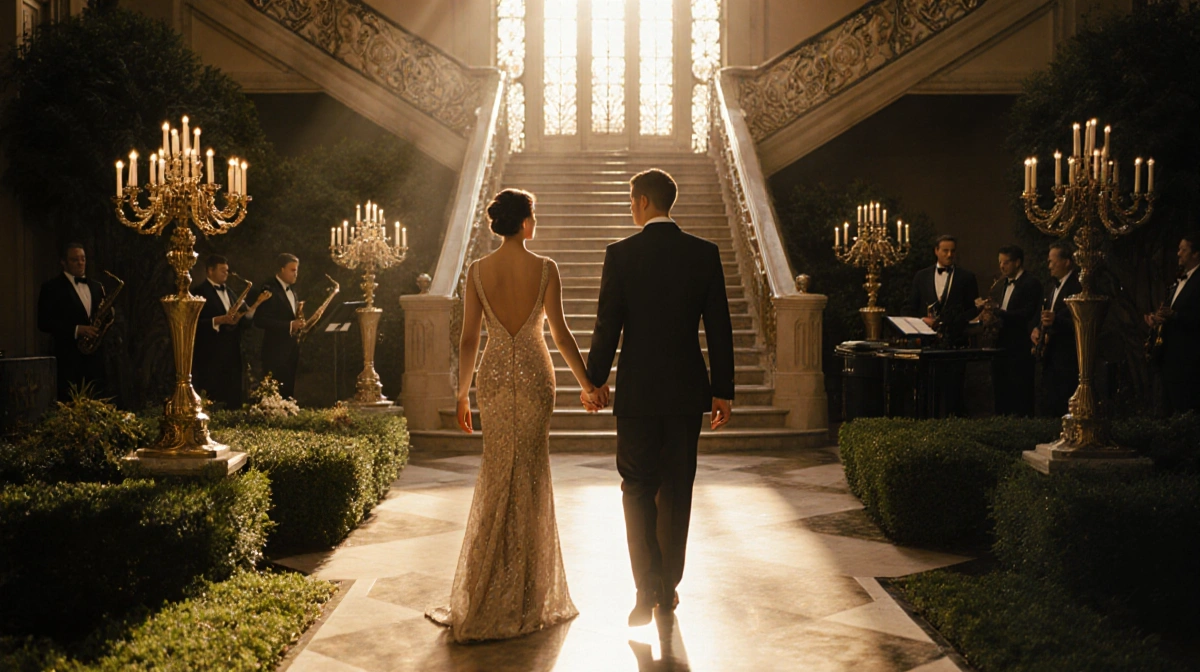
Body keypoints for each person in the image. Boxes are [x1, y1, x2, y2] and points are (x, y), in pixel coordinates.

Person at [427, 188, 586, 642]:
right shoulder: (546, 268)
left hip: (493, 375)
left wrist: (462, 395)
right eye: (535, 215)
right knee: (531, 471)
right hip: (535, 373)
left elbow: (468, 340)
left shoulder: (478, 271)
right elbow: (560, 334)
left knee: (498, 470)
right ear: (526, 222)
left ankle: (488, 584)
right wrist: (587, 382)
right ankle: (528, 592)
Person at [585, 168, 735, 627]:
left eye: (631, 200)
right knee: (677, 489)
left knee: (636, 487)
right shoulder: (704, 254)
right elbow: (720, 326)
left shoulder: (621, 255)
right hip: (687, 391)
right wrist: (722, 390)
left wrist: (594, 381)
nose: (631, 208)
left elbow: (607, 325)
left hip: (637, 392)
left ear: (643, 202)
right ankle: (667, 586)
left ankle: (645, 585)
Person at [37, 242, 106, 400]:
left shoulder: (97, 287)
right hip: (68, 360)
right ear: (63, 262)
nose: (80, 263)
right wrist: (76, 329)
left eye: (83, 259)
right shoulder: (51, 288)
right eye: (75, 260)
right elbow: (43, 322)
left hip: (95, 360)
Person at [193, 255, 264, 408]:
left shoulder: (230, 292)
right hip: (211, 353)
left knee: (233, 395)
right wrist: (218, 320)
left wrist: (252, 310)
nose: (226, 273)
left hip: (232, 351)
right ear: (210, 271)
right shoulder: (198, 292)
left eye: (227, 270)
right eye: (222, 270)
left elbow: (244, 323)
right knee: (213, 395)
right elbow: (194, 323)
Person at [978, 245, 1041, 416]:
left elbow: (1028, 313)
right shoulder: (1001, 284)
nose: (1001, 266)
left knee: (1020, 392)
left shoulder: (1031, 283)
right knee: (1001, 390)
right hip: (1001, 344)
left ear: (1017, 262)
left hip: (1019, 346)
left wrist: (999, 313)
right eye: (1000, 262)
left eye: (1006, 262)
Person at [1145, 234, 1200, 414]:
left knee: (1186, 409)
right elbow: (1170, 312)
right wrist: (1156, 319)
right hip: (1170, 358)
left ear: (1196, 254)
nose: (1178, 254)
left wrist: (1175, 315)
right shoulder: (1179, 281)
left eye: (1183, 249)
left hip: (1189, 359)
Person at [1031, 242, 1081, 417]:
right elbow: (1047, 314)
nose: (1049, 266)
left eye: (1052, 261)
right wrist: (1037, 329)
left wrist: (1055, 321)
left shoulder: (1077, 286)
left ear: (1066, 262)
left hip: (1067, 356)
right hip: (1051, 356)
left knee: (1063, 402)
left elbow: (1079, 321)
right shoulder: (1053, 287)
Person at [906, 235, 980, 341]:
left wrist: (954, 322)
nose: (949, 255)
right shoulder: (921, 276)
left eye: (952, 251)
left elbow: (972, 309)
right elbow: (910, 307)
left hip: (956, 339)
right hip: (926, 338)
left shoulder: (967, 277)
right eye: (945, 251)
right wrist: (922, 320)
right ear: (936, 251)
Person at [252, 254, 304, 399]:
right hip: (274, 350)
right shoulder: (268, 288)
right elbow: (260, 320)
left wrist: (299, 324)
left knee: (288, 391)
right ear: (282, 269)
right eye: (292, 270)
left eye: (297, 270)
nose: (296, 274)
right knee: (274, 395)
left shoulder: (292, 291)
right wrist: (289, 325)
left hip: (291, 348)